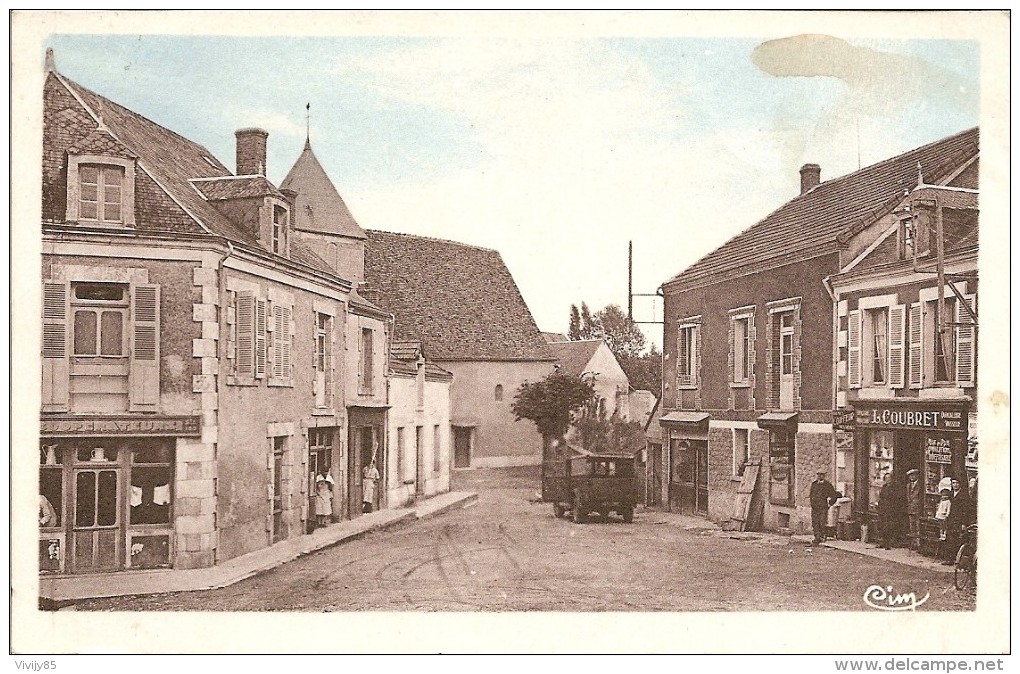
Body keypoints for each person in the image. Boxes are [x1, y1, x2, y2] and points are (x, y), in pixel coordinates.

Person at [943, 478, 974, 565]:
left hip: (959, 521)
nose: (955, 485)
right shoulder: (951, 494)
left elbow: (966, 511)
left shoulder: (964, 495)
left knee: (958, 539)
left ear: (960, 484)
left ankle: (958, 560)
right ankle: (949, 559)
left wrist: (964, 523)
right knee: (949, 538)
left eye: (957, 483)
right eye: (953, 483)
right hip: (951, 520)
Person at [809, 470, 839, 544]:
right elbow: (811, 495)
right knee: (815, 522)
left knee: (822, 522)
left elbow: (834, 495)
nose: (820, 476)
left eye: (821, 474)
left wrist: (830, 504)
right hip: (814, 507)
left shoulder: (827, 485)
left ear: (824, 476)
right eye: (818, 474)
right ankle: (817, 537)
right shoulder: (814, 484)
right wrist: (812, 503)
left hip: (823, 507)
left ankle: (822, 536)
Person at [876, 472, 901, 550]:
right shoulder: (884, 487)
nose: (888, 480)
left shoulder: (895, 488)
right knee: (882, 526)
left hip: (891, 510)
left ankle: (889, 543)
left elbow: (897, 499)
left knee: (890, 527)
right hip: (883, 510)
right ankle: (883, 542)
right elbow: (881, 497)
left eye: (889, 478)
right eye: (886, 478)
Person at [905, 469, 923, 550]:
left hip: (918, 508)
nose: (911, 477)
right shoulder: (908, 485)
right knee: (912, 526)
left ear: (917, 475)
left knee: (918, 525)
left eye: (913, 475)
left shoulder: (920, 485)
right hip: (910, 508)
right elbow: (908, 497)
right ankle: (913, 543)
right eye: (910, 476)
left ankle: (919, 544)